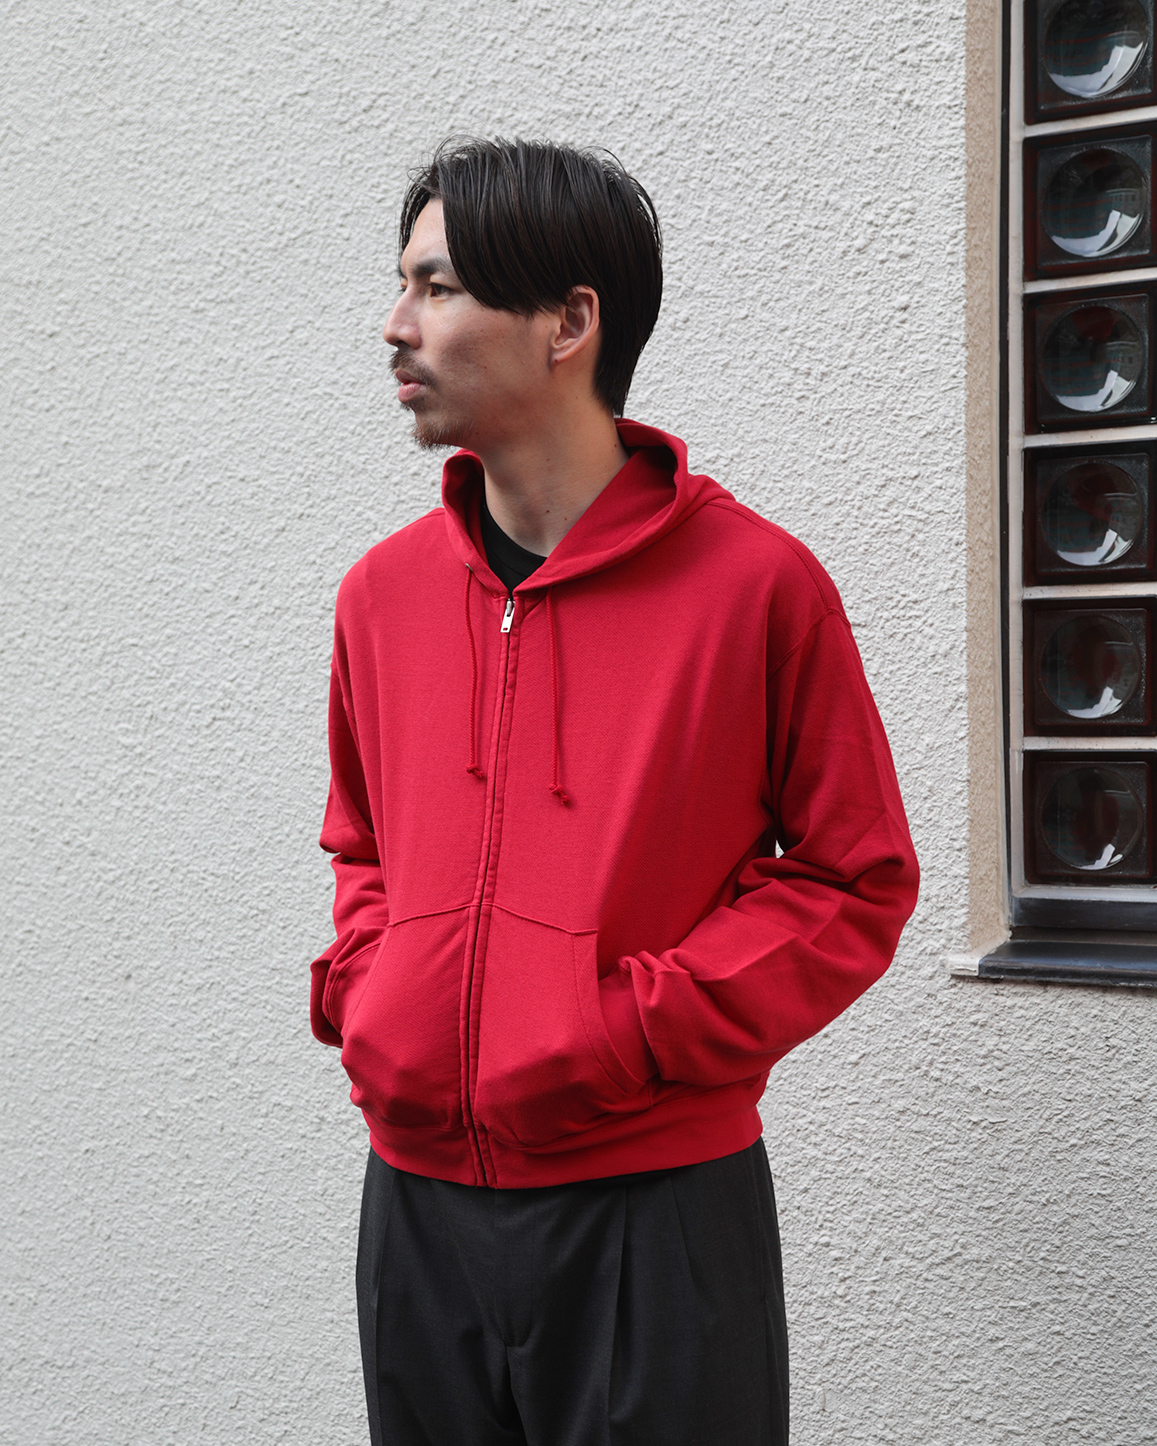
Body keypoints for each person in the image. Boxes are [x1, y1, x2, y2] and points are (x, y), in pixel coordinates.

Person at [310, 137, 919, 1446]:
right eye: (401, 284)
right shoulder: (380, 596)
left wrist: (623, 1032)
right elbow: (363, 847)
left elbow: (852, 877)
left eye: (437, 286)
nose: (395, 324)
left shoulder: (755, 590)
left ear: (567, 323)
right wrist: (372, 991)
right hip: (415, 1206)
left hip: (654, 1210)